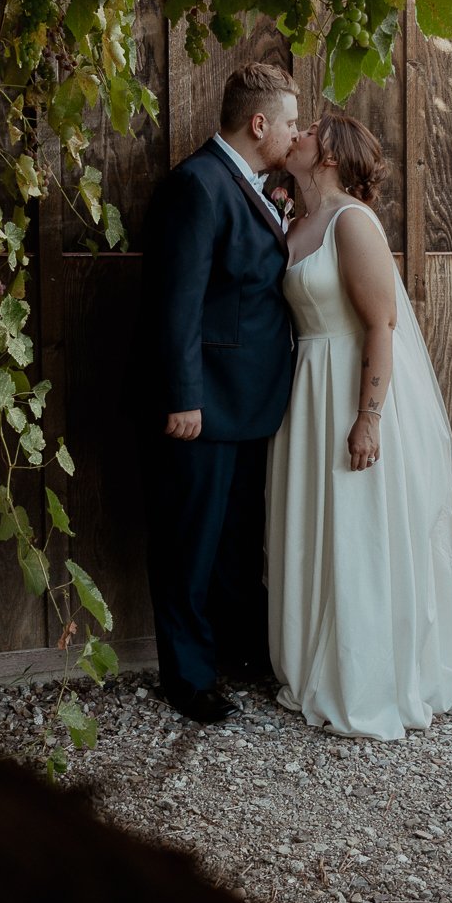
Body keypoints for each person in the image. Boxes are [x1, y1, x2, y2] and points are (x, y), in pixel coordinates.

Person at [267, 114, 452, 739]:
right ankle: (311, 660)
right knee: (315, 527)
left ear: (328, 155)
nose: (295, 134)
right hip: (307, 390)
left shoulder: (353, 222)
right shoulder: (296, 221)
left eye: (308, 131)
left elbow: (382, 324)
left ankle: (368, 675)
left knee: (357, 528)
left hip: (350, 387)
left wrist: (368, 419)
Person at [134, 62, 302, 724]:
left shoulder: (255, 184)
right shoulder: (197, 185)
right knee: (189, 544)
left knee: (234, 542)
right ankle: (189, 676)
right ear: (259, 123)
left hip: (249, 404)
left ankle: (234, 652)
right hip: (202, 407)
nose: (295, 133)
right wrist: (183, 398)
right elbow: (176, 301)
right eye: (289, 121)